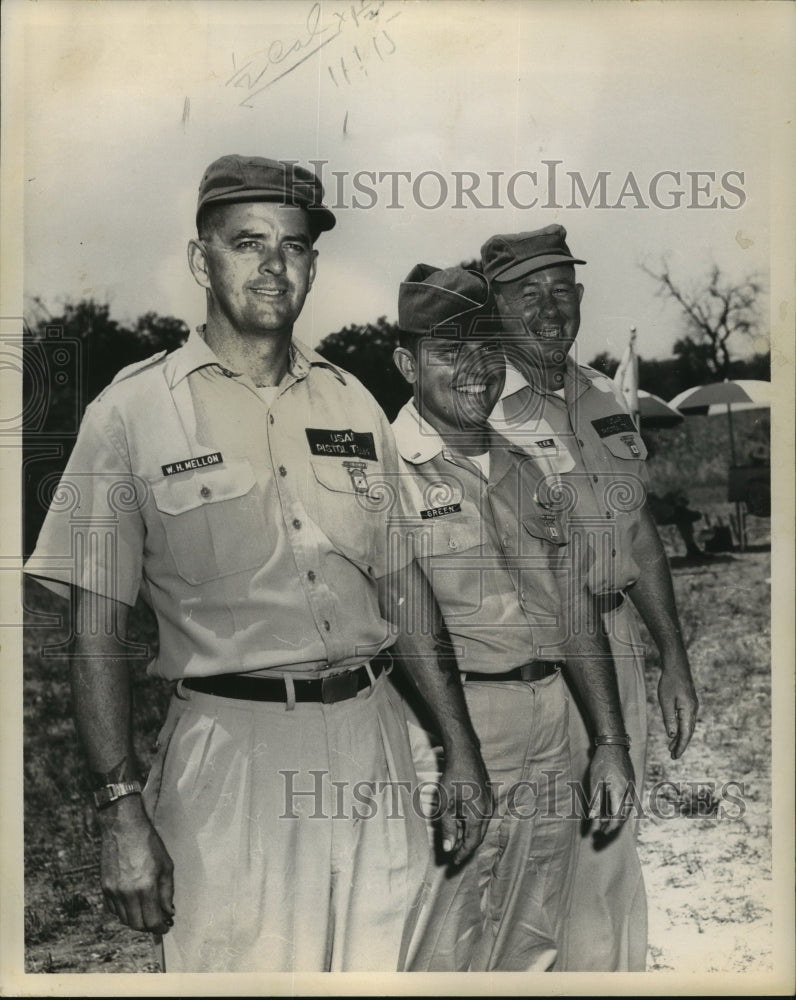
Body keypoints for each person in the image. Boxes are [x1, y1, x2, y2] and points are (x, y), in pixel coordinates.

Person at [24, 155, 490, 973]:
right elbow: (93, 631)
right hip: (230, 761)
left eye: (296, 246)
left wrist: (460, 747)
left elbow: (403, 591)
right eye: (249, 243)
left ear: (313, 264)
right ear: (202, 261)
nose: (275, 266)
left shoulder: (352, 401)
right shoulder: (129, 414)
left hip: (372, 742)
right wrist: (118, 809)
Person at [389, 263, 636, 971]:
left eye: (487, 349)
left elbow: (572, 611)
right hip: (451, 728)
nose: (476, 370)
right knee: (444, 936)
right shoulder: (381, 470)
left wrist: (609, 742)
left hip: (550, 718)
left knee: (535, 934)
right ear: (407, 363)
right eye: (448, 351)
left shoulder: (530, 468)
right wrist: (458, 749)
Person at [480, 224, 699, 971]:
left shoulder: (607, 395)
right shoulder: (476, 406)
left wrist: (673, 658)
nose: (550, 309)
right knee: (538, 876)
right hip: (536, 667)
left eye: (562, 290)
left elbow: (638, 538)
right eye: (526, 294)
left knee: (611, 857)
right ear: (491, 308)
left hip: (619, 653)